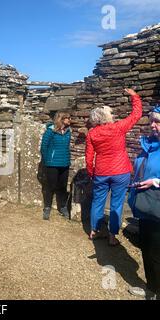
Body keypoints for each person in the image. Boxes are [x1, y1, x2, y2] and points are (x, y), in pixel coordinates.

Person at [86, 89, 142, 246]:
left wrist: (91, 173)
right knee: (116, 204)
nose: (113, 115)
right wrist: (134, 96)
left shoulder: (92, 133)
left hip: (101, 172)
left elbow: (89, 158)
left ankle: (94, 231)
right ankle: (112, 237)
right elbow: (136, 115)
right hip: (120, 171)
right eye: (110, 113)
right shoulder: (118, 127)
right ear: (105, 117)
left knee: (98, 202)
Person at [128, 105, 160, 300]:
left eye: (158, 122)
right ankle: (152, 288)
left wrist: (155, 181)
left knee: (156, 251)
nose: (153, 125)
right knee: (148, 249)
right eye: (151, 121)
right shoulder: (148, 145)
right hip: (148, 205)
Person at [40, 111, 72, 220]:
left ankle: (63, 207)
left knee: (62, 187)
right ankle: (47, 207)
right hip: (52, 163)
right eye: (67, 118)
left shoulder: (68, 131)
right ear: (61, 119)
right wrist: (47, 160)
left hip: (64, 163)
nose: (69, 120)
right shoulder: (50, 131)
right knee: (50, 186)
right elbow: (44, 147)